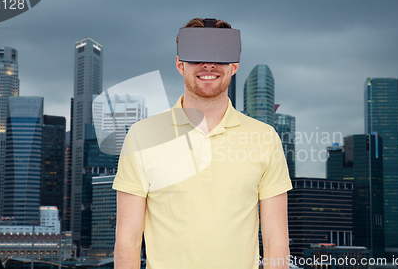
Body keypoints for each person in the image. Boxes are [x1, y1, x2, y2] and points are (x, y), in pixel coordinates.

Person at [113, 18, 293, 269]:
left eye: (219, 56)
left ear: (234, 66)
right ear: (179, 64)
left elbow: (276, 242)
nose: (208, 64)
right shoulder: (142, 136)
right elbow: (127, 241)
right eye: (196, 55)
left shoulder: (265, 138)